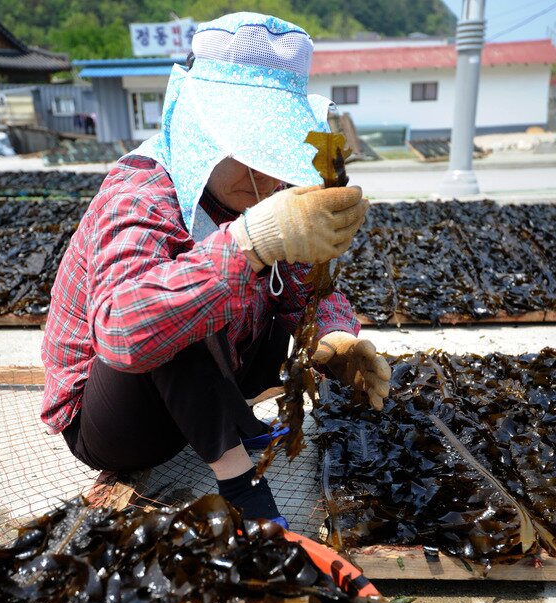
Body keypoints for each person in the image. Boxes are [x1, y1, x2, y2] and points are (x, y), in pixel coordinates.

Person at [41, 12, 391, 527]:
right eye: (250, 151)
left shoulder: (254, 191)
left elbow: (299, 282)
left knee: (264, 293)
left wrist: (336, 338)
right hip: (117, 423)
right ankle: (237, 477)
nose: (268, 175)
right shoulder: (143, 192)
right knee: (178, 300)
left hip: (213, 386)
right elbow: (123, 330)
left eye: (275, 151)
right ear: (203, 131)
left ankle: (225, 425)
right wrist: (247, 242)